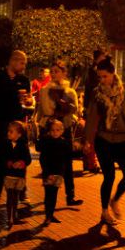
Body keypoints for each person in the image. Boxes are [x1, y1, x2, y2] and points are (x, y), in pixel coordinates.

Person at [84, 56, 125, 224]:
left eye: (105, 76)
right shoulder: (97, 93)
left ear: (113, 74)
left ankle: (115, 199)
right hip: (104, 140)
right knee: (109, 176)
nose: (102, 80)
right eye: (99, 77)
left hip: (124, 139)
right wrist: (88, 141)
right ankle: (104, 211)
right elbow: (92, 118)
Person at [0, 50, 33, 201]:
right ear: (13, 61)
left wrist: (29, 102)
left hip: (17, 122)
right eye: (22, 62)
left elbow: (28, 100)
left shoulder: (24, 80)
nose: (24, 66)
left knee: (21, 155)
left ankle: (21, 191)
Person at [35, 60, 83, 206]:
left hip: (65, 128)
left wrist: (66, 107)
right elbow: (42, 110)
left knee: (67, 163)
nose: (55, 73)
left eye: (58, 71)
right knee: (48, 163)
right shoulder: (44, 90)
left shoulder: (70, 92)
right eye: (53, 71)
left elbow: (75, 109)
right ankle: (48, 196)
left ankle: (71, 196)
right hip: (49, 128)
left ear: (64, 73)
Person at [39, 119, 72, 226]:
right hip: (48, 173)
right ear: (49, 131)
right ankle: (48, 216)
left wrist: (81, 151)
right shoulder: (46, 142)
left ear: (62, 131)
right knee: (48, 194)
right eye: (53, 130)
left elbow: (68, 156)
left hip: (58, 173)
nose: (55, 132)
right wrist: (47, 173)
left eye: (58, 130)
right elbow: (43, 159)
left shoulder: (63, 142)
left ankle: (51, 215)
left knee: (54, 195)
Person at [2, 121, 31, 229]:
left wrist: (21, 163)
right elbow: (2, 157)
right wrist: (8, 162)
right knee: (10, 197)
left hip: (19, 176)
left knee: (16, 197)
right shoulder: (6, 144)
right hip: (9, 175)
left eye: (11, 132)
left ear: (19, 134)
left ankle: (14, 215)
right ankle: (10, 217)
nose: (8, 133)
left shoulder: (23, 145)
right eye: (8, 131)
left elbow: (28, 159)